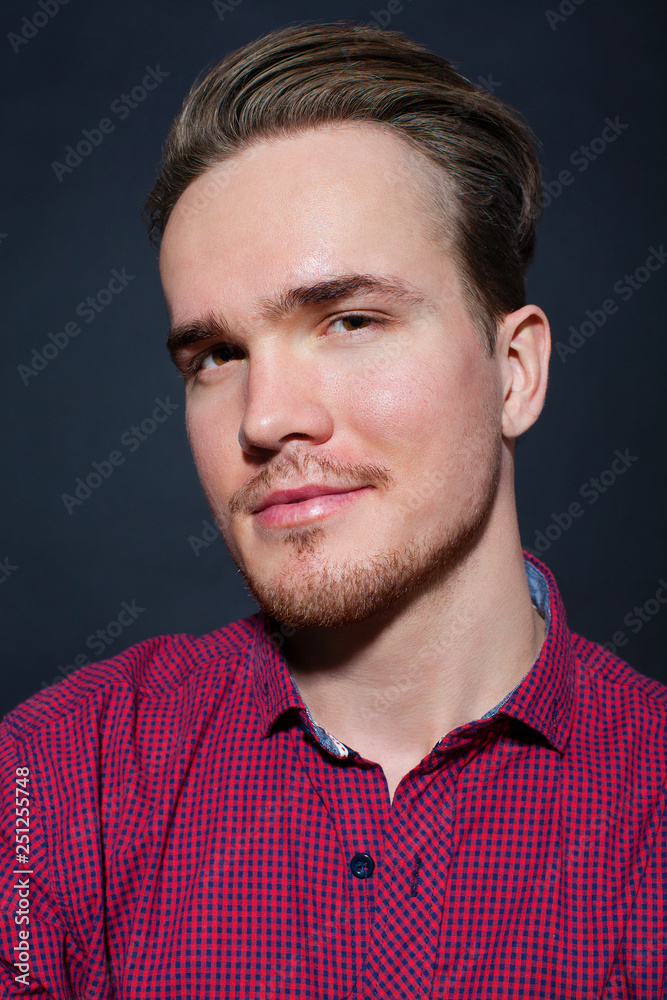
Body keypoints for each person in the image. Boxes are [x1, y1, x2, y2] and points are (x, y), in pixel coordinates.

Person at [1, 21, 665, 999]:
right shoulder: (53, 785)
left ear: (514, 372)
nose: (266, 418)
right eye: (216, 355)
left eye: (349, 320)